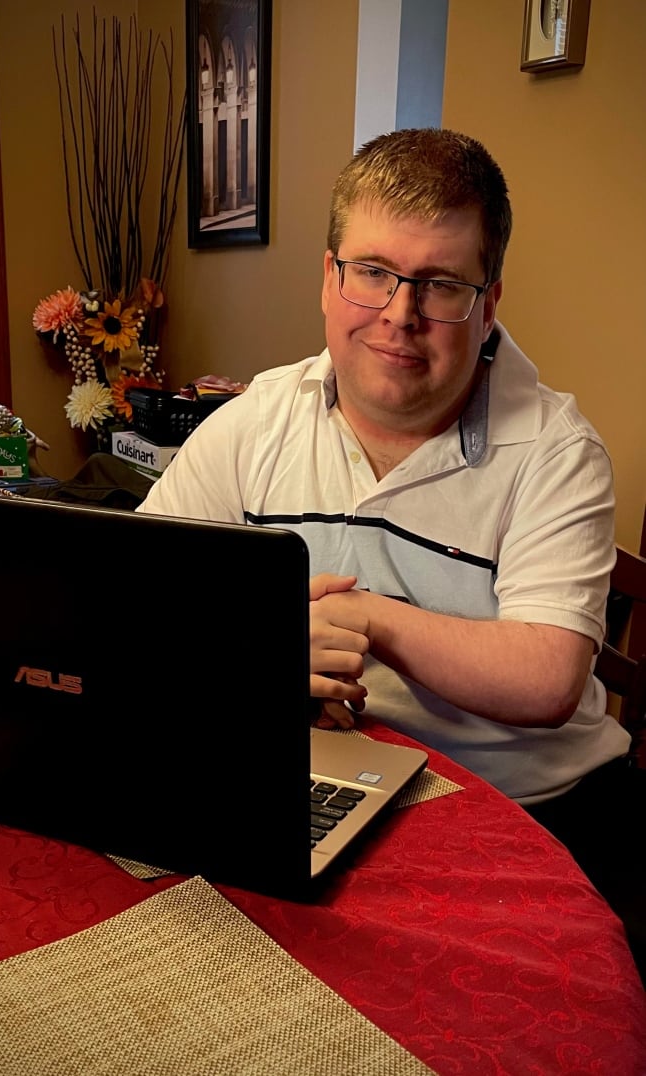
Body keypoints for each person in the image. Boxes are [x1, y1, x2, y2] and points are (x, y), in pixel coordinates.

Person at [137, 128, 645, 981]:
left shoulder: (557, 451)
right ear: (329, 276)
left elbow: (549, 679)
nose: (399, 315)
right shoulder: (258, 419)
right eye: (373, 271)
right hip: (308, 787)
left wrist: (369, 618)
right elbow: (129, 595)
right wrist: (259, 645)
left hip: (538, 815)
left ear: (489, 302)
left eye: (442, 284)